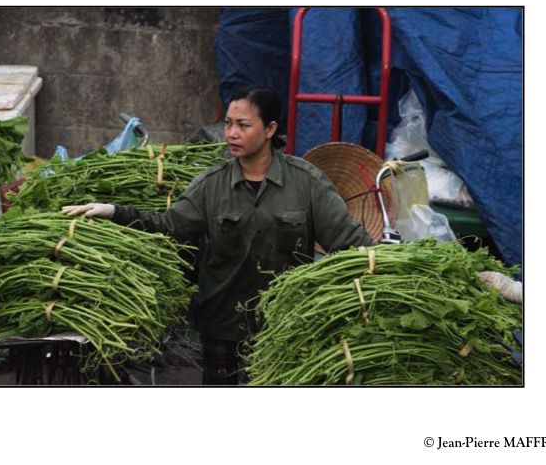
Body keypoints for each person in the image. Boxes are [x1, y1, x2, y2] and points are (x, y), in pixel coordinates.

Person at [62, 86, 374, 385]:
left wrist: (383, 265)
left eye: (243, 125)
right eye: (228, 124)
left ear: (269, 129)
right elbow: (170, 225)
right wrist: (113, 211)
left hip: (283, 321)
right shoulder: (211, 184)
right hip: (221, 320)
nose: (232, 134)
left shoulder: (306, 182)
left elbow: (347, 241)